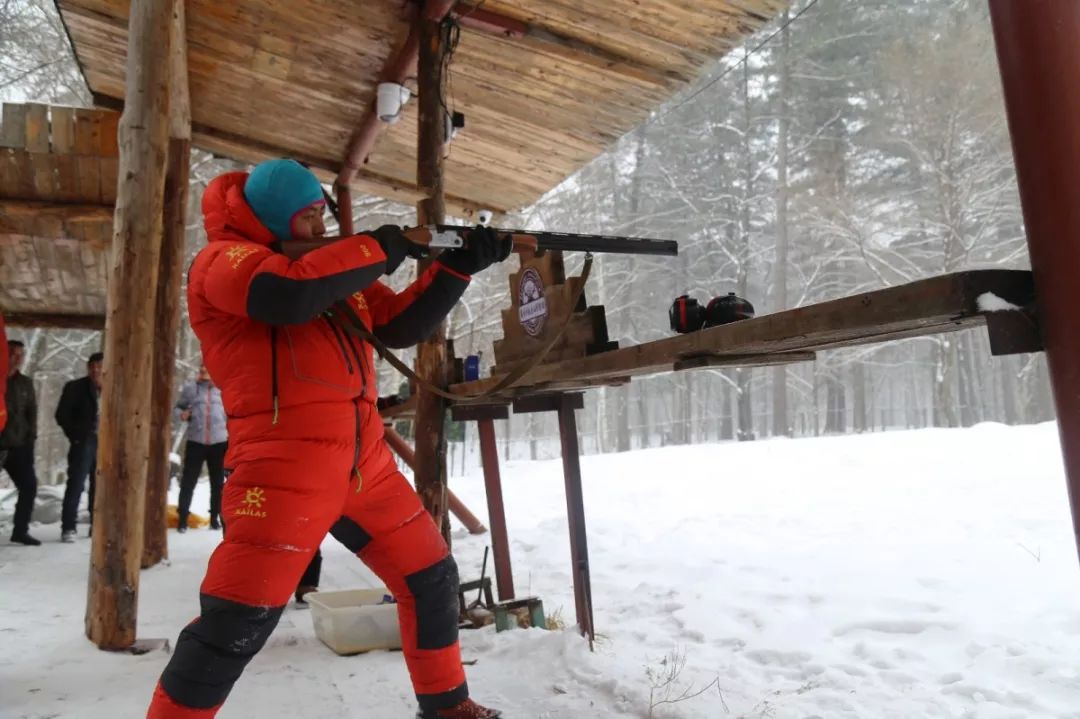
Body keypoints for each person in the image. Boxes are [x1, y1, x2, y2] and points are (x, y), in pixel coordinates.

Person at [147, 159, 511, 719]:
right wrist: (383, 246)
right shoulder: (223, 262)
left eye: (322, 214)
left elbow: (398, 325)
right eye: (309, 216)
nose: (321, 226)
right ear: (273, 219)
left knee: (432, 579)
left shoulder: (329, 272)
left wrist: (457, 268)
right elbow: (284, 297)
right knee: (235, 622)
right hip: (281, 469)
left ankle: (447, 705)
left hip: (365, 463)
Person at [55, 352, 103, 542]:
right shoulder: (75, 387)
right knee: (76, 484)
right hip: (83, 441)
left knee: (100, 486)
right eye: (92, 366)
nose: (96, 370)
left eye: (100, 366)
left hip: (105, 442)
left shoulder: (114, 387)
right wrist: (76, 436)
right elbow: (61, 415)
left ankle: (96, 525)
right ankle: (68, 527)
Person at [174, 365, 228, 532]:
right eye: (202, 369)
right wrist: (181, 415)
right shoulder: (191, 389)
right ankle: (183, 518)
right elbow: (177, 408)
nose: (204, 371)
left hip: (219, 442)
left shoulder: (224, 389)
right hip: (195, 441)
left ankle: (215, 518)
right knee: (188, 481)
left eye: (207, 368)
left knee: (218, 483)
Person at [1, 339, 40, 546]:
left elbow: (31, 413)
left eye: (21, 355)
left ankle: (20, 530)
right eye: (13, 354)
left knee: (29, 486)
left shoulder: (25, 383)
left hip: (19, 445)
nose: (18, 359)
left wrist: (30, 439)